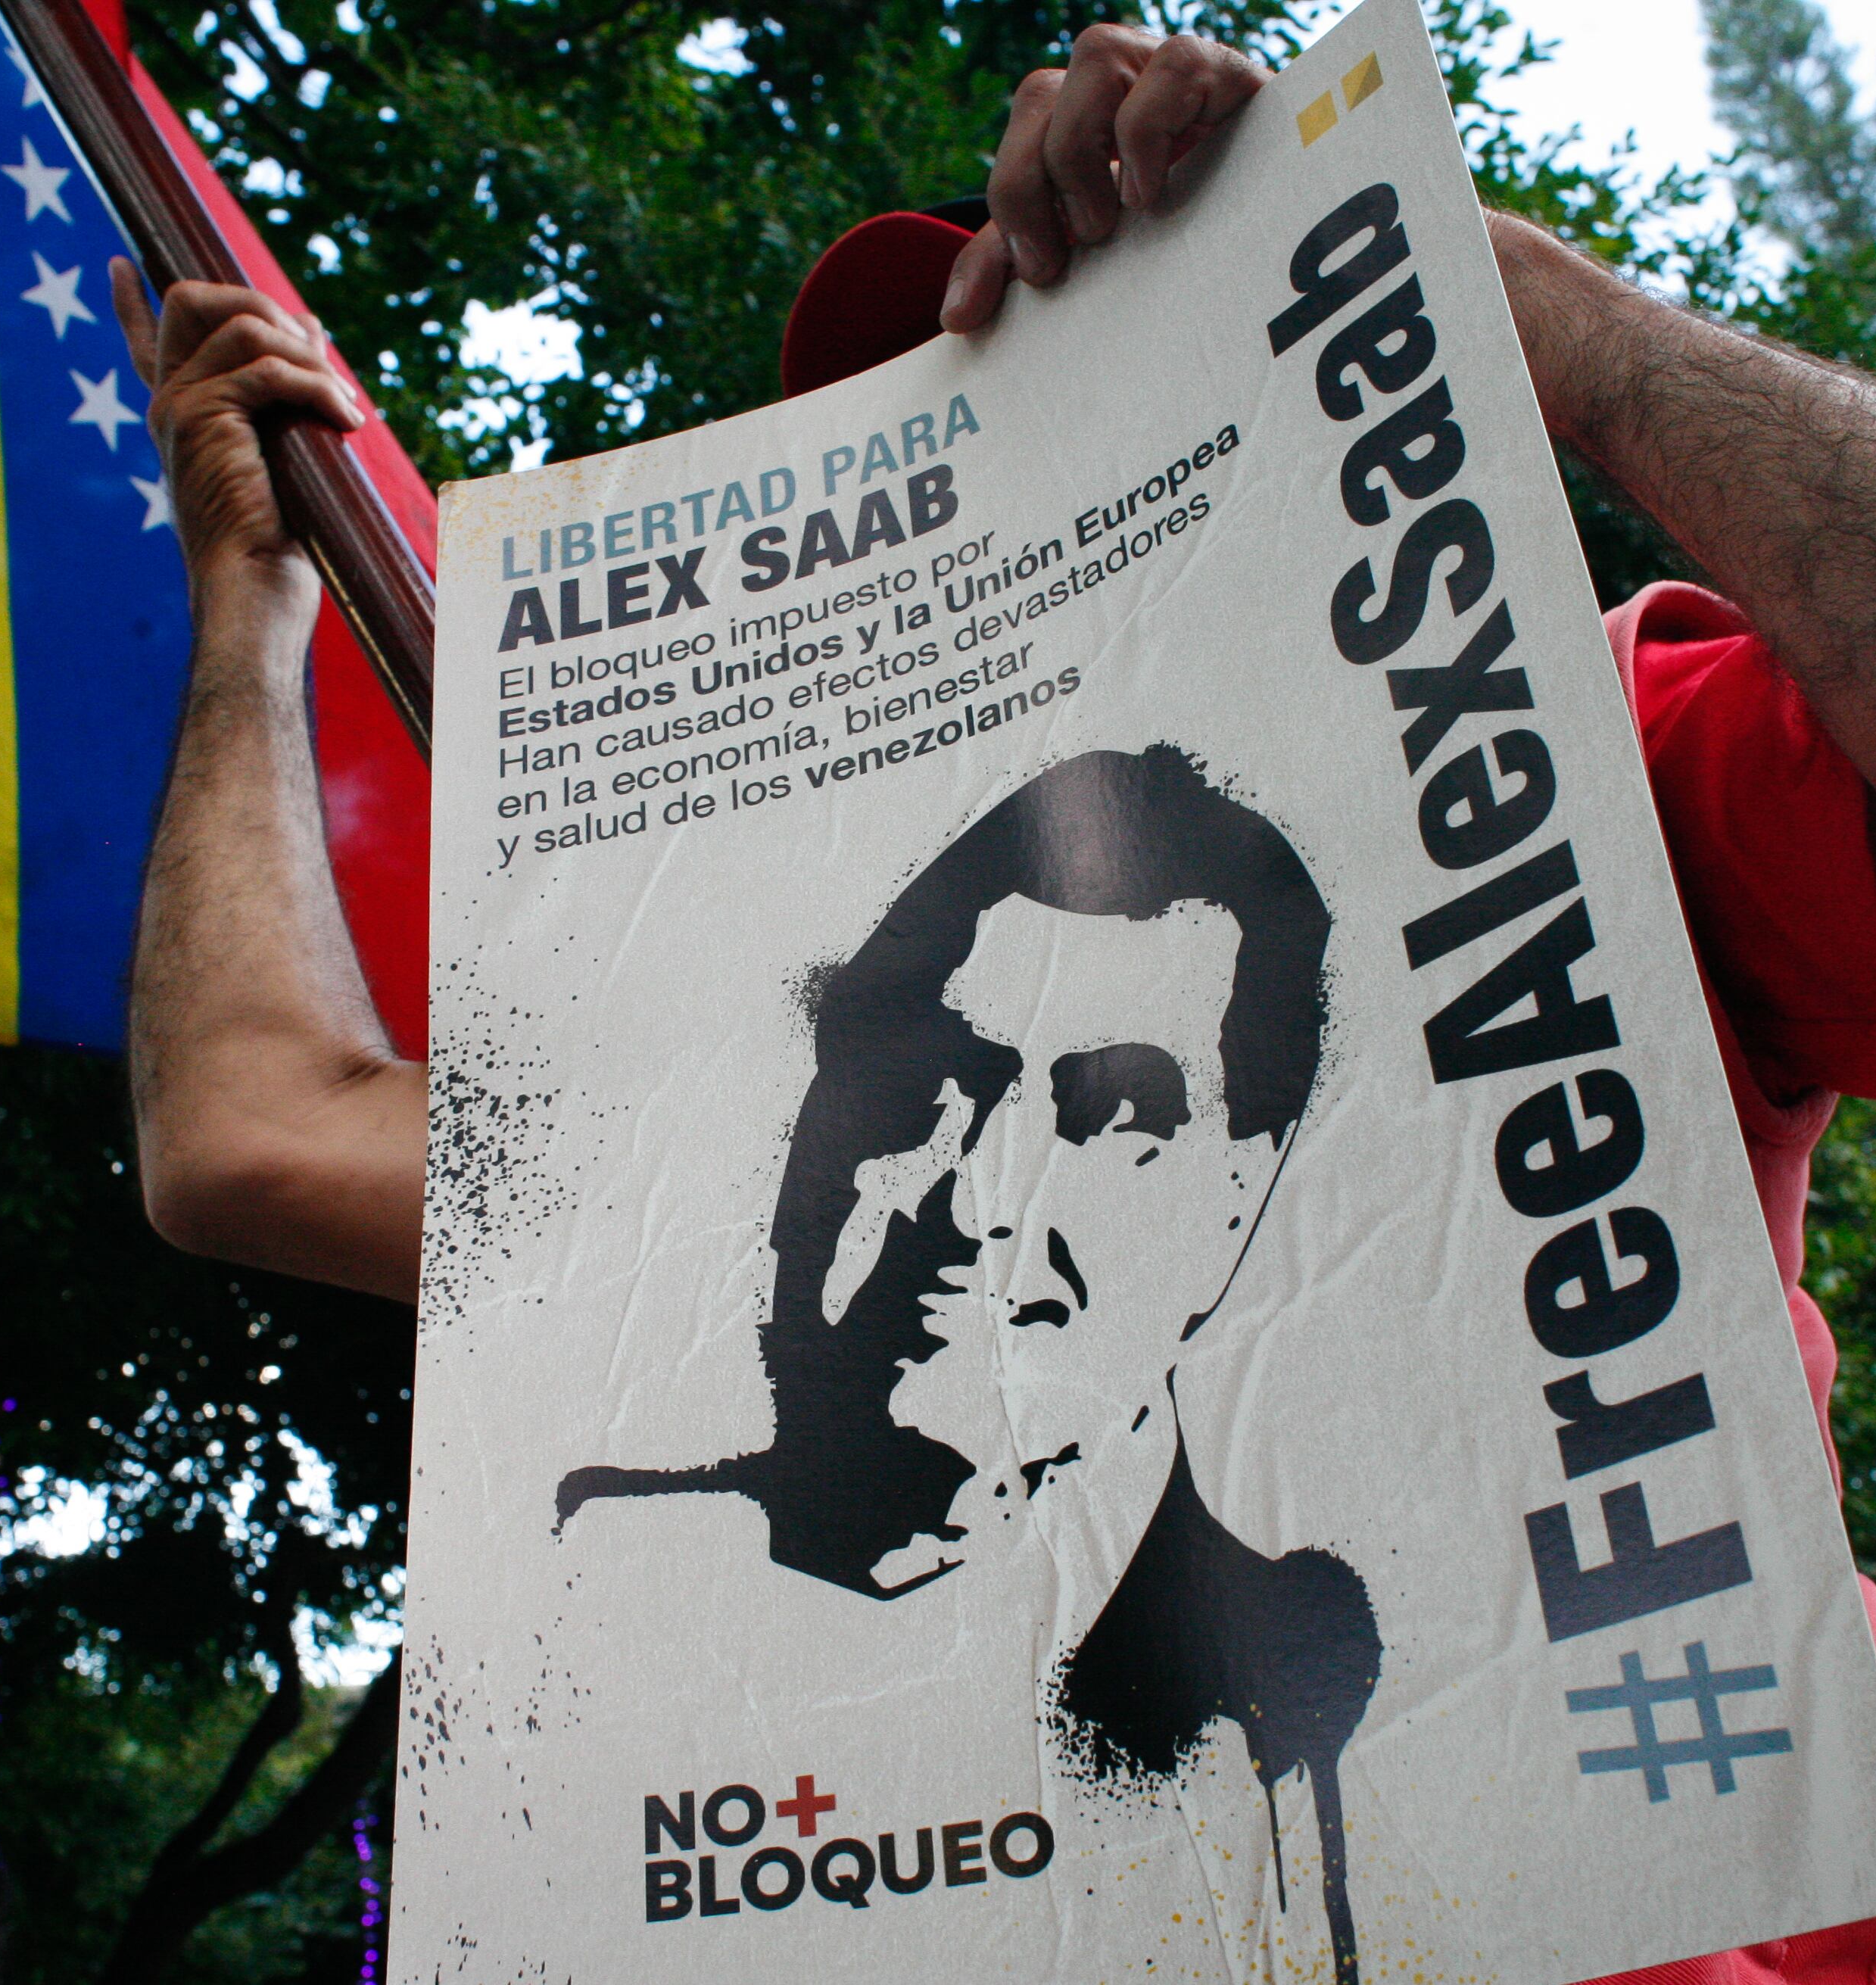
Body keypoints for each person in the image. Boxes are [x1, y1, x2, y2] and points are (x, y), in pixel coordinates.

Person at [110, 23, 1876, 1984]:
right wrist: (247, 617)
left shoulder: (1566, 788)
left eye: (1118, 1109)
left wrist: (1538, 316)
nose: (982, 1176)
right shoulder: (780, 1077)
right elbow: (247, 1135)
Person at [551, 743, 1376, 1978]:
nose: (984, 1188)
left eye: (1113, 1116)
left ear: (1237, 1200)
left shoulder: (1293, 1721)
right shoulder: (598, 1578)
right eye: (929, 1079)